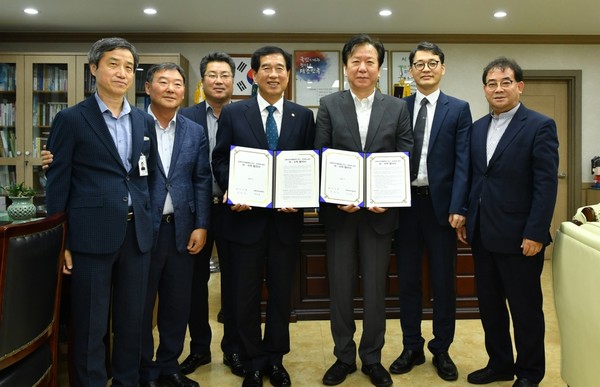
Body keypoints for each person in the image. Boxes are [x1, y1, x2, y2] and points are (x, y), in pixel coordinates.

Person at [44, 37, 157, 386]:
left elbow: (143, 175)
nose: (122, 72)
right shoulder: (71, 119)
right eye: (113, 64)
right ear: (94, 69)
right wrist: (61, 240)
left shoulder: (143, 120)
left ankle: (126, 381)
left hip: (136, 236)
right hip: (89, 236)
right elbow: (58, 181)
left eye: (128, 67)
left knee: (131, 321)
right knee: (90, 324)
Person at [211, 46, 315, 387]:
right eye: (266, 68)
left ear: (288, 75)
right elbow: (221, 159)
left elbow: (309, 163)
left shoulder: (303, 116)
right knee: (245, 296)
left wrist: (302, 198)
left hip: (285, 223)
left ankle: (275, 359)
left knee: (282, 296)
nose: (273, 74)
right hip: (244, 221)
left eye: (280, 68)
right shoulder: (234, 113)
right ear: (253, 74)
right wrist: (232, 189)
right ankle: (253, 360)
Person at [314, 34, 413, 387]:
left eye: (370, 61)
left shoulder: (398, 108)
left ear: (379, 68)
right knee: (340, 289)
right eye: (356, 60)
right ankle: (343, 357)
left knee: (375, 291)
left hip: (380, 215)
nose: (362, 67)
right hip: (340, 214)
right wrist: (332, 194)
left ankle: (372, 358)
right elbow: (321, 155)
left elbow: (406, 157)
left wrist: (390, 195)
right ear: (346, 66)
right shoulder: (328, 104)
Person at [457, 57, 559, 387]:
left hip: (520, 238)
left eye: (505, 82)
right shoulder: (477, 128)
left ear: (519, 86)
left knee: (525, 310)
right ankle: (500, 363)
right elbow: (475, 177)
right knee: (490, 307)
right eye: (491, 83)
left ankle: (530, 372)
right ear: (484, 88)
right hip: (483, 234)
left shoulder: (540, 125)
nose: (498, 89)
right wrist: (467, 216)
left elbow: (546, 184)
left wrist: (535, 232)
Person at [389, 42, 472, 382]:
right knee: (407, 281)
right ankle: (411, 346)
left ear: (443, 68)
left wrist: (459, 206)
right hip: (405, 206)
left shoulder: (459, 109)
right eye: (419, 63)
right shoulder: (396, 107)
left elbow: (464, 161)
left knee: (442, 282)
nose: (426, 68)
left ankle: (441, 349)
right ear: (410, 70)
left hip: (441, 210)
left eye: (433, 63)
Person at [139, 63, 212, 387]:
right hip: (141, 230)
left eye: (178, 83)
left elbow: (201, 179)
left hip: (182, 230)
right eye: (163, 82)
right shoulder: (133, 125)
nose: (171, 88)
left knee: (176, 303)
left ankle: (169, 367)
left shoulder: (194, 131)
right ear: (148, 88)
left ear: (185, 90)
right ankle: (144, 370)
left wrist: (201, 225)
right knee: (139, 305)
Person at [178, 52, 245, 377]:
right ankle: (200, 349)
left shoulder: (245, 115)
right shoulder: (185, 116)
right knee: (195, 284)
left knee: (233, 283)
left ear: (234, 81)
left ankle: (232, 349)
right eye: (212, 75)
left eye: (225, 75)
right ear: (202, 81)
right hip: (194, 213)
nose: (219, 81)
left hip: (234, 211)